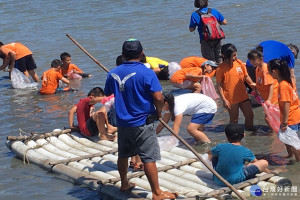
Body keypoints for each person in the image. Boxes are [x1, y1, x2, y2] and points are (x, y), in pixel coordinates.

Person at [104, 39, 177, 199]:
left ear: (123, 54)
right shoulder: (147, 72)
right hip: (142, 121)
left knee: (123, 154)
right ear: (142, 53)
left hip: (123, 122)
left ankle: (124, 183)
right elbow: (158, 97)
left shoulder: (113, 72)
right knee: (149, 157)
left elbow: (108, 91)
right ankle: (157, 193)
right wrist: (158, 111)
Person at [216, 43, 256, 131]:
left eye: (235, 54)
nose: (235, 57)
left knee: (250, 115)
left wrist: (254, 87)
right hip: (231, 99)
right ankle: (233, 137)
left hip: (243, 95)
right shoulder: (220, 69)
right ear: (225, 56)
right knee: (234, 119)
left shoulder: (239, 63)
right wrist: (224, 100)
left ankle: (250, 134)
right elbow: (218, 85)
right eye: (233, 56)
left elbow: (246, 77)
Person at [268, 59, 300, 161]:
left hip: (290, 118)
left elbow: (286, 104)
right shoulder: (288, 81)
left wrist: (285, 123)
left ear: (274, 72)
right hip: (295, 114)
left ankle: (298, 161)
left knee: (293, 143)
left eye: (269, 71)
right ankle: (290, 155)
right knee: (285, 137)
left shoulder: (283, 85)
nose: (268, 73)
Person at [247, 49, 279, 132]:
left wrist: (269, 99)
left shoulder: (265, 69)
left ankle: (274, 133)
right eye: (250, 60)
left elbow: (271, 85)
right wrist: (256, 88)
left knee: (268, 118)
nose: (252, 62)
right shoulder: (257, 69)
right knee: (271, 118)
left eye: (254, 60)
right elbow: (262, 83)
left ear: (261, 59)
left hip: (273, 97)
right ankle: (276, 131)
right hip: (265, 97)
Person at [189, 0, 227, 64]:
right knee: (220, 58)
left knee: (210, 61)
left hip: (205, 40)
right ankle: (221, 73)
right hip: (217, 38)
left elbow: (191, 29)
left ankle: (213, 73)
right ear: (207, 2)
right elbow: (225, 22)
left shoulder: (195, 14)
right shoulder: (213, 11)